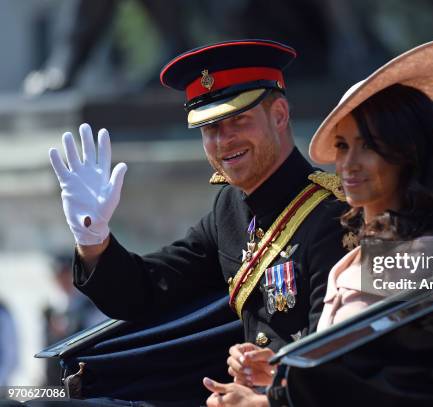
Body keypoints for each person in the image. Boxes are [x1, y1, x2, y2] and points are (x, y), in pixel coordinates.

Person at [47, 39, 350, 404]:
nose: (224, 141)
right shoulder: (230, 209)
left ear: (280, 115)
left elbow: (336, 360)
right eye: (210, 129)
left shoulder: (332, 216)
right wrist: (92, 236)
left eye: (239, 120)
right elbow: (148, 290)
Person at [203, 38, 433, 407]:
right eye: (342, 146)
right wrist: (277, 373)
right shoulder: (352, 260)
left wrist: (264, 402)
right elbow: (339, 371)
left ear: (408, 153)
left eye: (369, 145)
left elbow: (389, 384)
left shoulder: (431, 255)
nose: (348, 164)